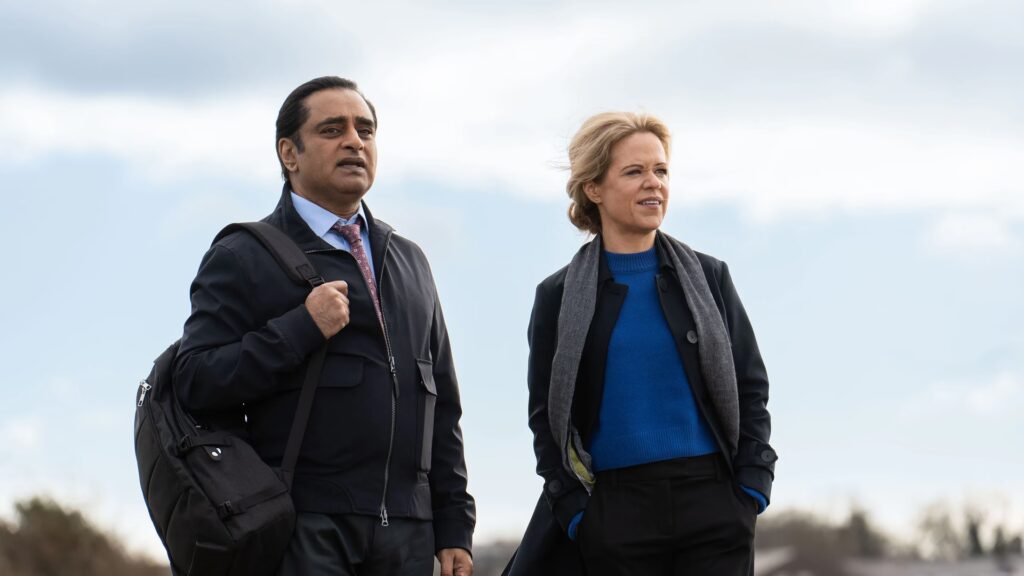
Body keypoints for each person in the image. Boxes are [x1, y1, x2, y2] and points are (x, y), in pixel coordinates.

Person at [174, 76, 475, 576]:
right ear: (289, 153)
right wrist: (301, 328)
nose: (355, 141)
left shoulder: (410, 259)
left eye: (365, 130)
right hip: (303, 526)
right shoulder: (242, 254)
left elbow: (441, 404)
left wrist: (454, 526)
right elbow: (196, 381)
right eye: (333, 130)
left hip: (409, 532)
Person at [505, 111, 776, 576]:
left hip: (713, 502)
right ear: (593, 188)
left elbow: (751, 386)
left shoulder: (710, 277)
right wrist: (576, 513)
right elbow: (546, 420)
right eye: (634, 172)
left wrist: (752, 486)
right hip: (614, 513)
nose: (654, 183)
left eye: (661, 170)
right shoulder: (557, 296)